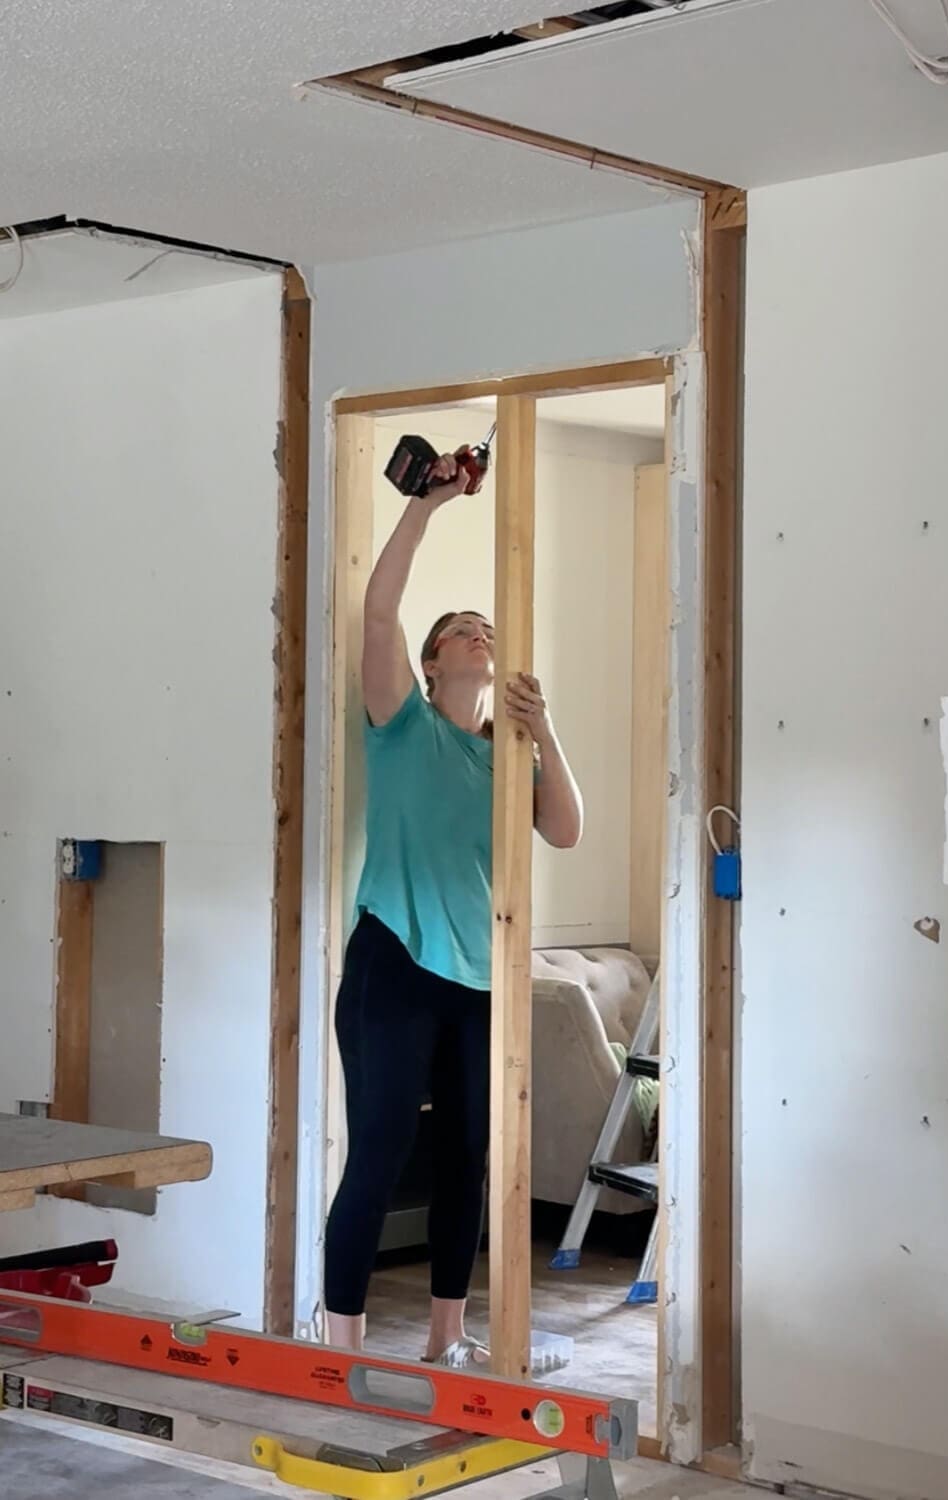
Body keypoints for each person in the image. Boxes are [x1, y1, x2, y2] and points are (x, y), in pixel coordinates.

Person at [324, 451, 583, 1367]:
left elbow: (566, 830)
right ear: (435, 661)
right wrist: (427, 508)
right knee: (382, 1147)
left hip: (478, 975)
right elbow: (379, 610)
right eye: (463, 629)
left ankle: (448, 1338)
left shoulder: (505, 758)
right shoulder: (401, 723)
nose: (479, 633)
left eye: (488, 628)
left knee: (467, 1157)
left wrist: (541, 725)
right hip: (393, 961)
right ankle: (344, 1349)